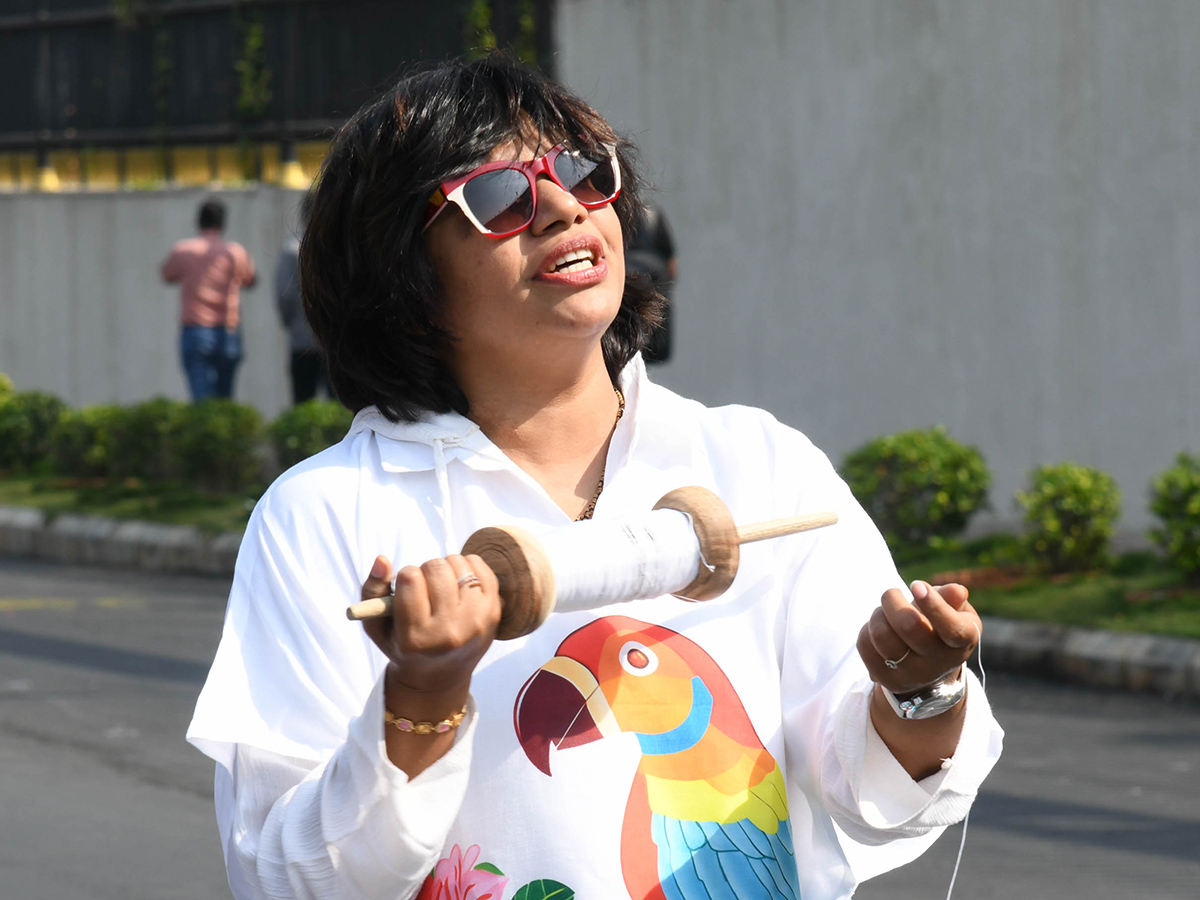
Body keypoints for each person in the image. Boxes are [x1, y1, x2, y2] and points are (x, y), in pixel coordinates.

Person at [188, 54, 1002, 900]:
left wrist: (921, 691)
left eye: (583, 171)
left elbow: (877, 795)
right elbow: (285, 877)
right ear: (404, 271)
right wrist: (418, 701)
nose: (563, 206)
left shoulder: (757, 464)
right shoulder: (326, 514)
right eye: (500, 196)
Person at [161, 198, 257, 402]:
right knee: (226, 398)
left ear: (198, 221)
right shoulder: (234, 252)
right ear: (223, 222)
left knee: (201, 400)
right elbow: (251, 279)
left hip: (196, 329)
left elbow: (167, 274)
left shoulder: (184, 250)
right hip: (228, 329)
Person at [274, 199, 329, 404]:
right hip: (334, 342)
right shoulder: (338, 246)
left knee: (303, 399)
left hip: (302, 336)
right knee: (338, 408)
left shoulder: (291, 248)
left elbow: (284, 295)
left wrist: (292, 322)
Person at [626, 202, 677, 363]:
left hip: (629, 276)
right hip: (656, 278)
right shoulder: (654, 213)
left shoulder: (618, 210)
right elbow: (671, 260)